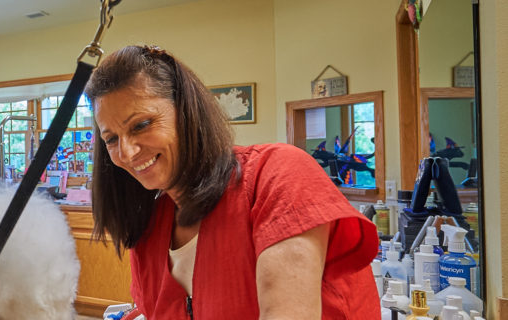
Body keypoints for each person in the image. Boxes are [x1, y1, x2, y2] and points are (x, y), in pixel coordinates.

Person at [86, 45, 380, 319]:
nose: (127, 152)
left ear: (186, 112)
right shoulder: (150, 229)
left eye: (141, 125)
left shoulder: (278, 174)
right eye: (111, 139)